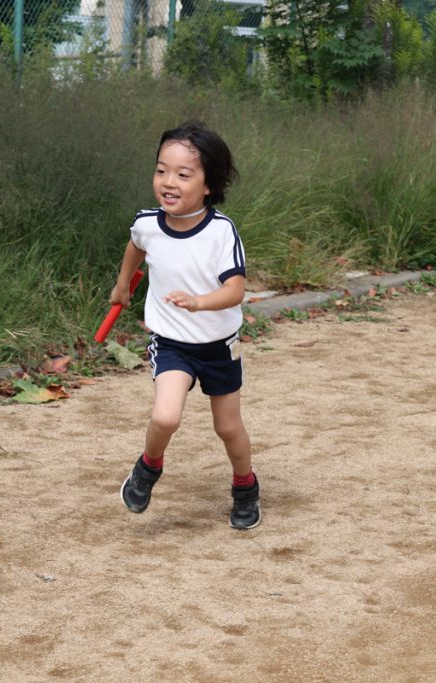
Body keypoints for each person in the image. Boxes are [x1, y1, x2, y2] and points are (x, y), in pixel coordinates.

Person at [110, 121, 259, 530]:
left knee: (228, 428)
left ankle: (245, 487)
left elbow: (235, 290)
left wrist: (199, 302)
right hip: (172, 343)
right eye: (161, 170)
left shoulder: (220, 232)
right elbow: (136, 246)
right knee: (165, 417)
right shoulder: (147, 223)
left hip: (218, 346)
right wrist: (122, 284)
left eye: (183, 174)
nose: (168, 182)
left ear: (209, 185)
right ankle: (148, 467)